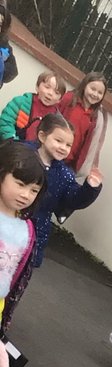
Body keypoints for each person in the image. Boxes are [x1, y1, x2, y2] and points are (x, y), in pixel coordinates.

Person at [28, 114, 101, 266]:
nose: (63, 147)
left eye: (68, 145)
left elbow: (74, 198)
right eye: (58, 141)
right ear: (42, 136)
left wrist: (90, 187)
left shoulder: (64, 174)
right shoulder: (22, 154)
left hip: (35, 232)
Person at [0, 140, 45, 347]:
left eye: (34, 190)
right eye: (20, 184)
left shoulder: (26, 229)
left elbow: (18, 276)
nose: (26, 195)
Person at [59, 72, 106, 173]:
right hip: (53, 151)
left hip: (68, 163)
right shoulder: (68, 99)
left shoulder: (95, 116)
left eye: (100, 92)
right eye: (93, 89)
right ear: (84, 85)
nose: (95, 94)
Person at [0, 70, 65, 142]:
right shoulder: (20, 102)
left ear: (60, 99)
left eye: (56, 92)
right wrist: (12, 141)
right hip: (9, 145)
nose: (50, 93)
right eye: (47, 87)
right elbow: (5, 121)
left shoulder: (57, 120)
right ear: (37, 86)